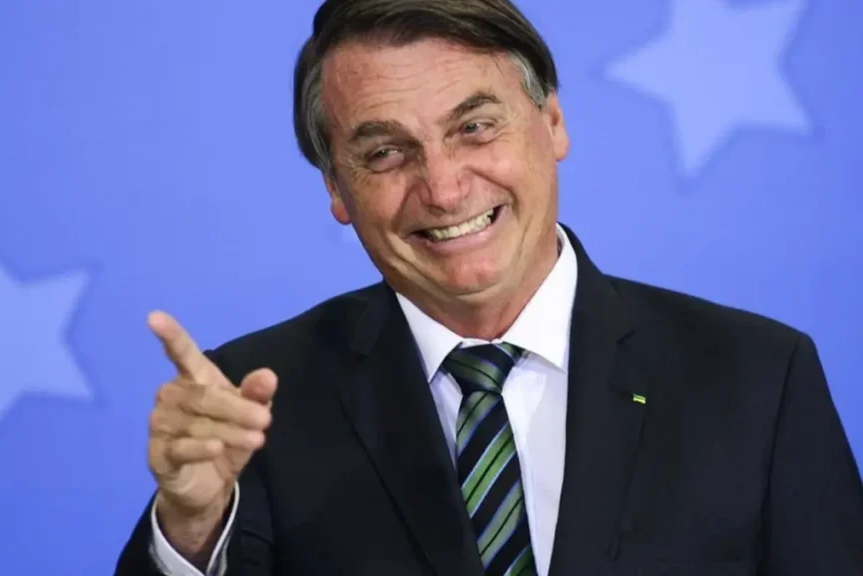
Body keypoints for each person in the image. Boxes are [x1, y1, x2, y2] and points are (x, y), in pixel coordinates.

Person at [115, 0, 863, 574]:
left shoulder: (759, 379)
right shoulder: (251, 404)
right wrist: (192, 529)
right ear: (336, 189)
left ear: (553, 122)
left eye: (474, 128)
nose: (443, 189)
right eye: (386, 152)